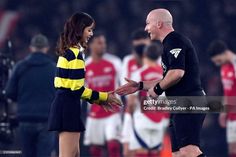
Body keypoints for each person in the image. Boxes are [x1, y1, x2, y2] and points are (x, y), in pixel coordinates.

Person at [116, 8, 206, 157]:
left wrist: (157, 89)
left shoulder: (174, 40)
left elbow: (177, 73)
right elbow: (169, 77)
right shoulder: (168, 43)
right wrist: (140, 86)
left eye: (148, 23)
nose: (146, 28)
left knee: (189, 152)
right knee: (178, 154)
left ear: (158, 24)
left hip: (189, 101)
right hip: (179, 103)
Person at [48, 12, 122, 157]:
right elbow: (77, 89)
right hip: (68, 107)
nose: (90, 33)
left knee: (74, 154)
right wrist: (104, 97)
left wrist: (98, 100)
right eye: (89, 30)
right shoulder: (75, 53)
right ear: (79, 30)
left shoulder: (70, 51)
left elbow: (70, 87)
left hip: (67, 105)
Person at [5, 34, 56, 157]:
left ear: (31, 48)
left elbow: (9, 93)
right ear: (46, 48)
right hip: (46, 119)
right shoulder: (54, 68)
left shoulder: (20, 67)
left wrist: (23, 100)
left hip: (25, 119)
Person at [126, 42, 170, 157]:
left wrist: (130, 116)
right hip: (159, 120)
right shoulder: (165, 75)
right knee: (155, 153)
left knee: (142, 152)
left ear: (144, 54)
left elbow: (131, 102)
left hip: (142, 119)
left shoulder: (138, 74)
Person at [83, 32, 122, 157]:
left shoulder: (115, 62)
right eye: (100, 43)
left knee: (114, 146)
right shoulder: (85, 66)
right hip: (94, 113)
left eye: (104, 43)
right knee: (95, 150)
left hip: (113, 111)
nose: (103, 46)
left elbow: (123, 85)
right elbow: (81, 90)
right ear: (91, 45)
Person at [121, 29, 151, 157]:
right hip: (132, 110)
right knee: (128, 151)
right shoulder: (128, 61)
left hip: (152, 111)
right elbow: (125, 86)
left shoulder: (159, 60)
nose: (140, 50)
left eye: (143, 46)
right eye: (137, 47)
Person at [208, 40, 236, 157]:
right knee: (232, 151)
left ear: (224, 53)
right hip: (231, 115)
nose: (217, 64)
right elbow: (227, 91)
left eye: (218, 60)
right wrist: (223, 112)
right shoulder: (223, 68)